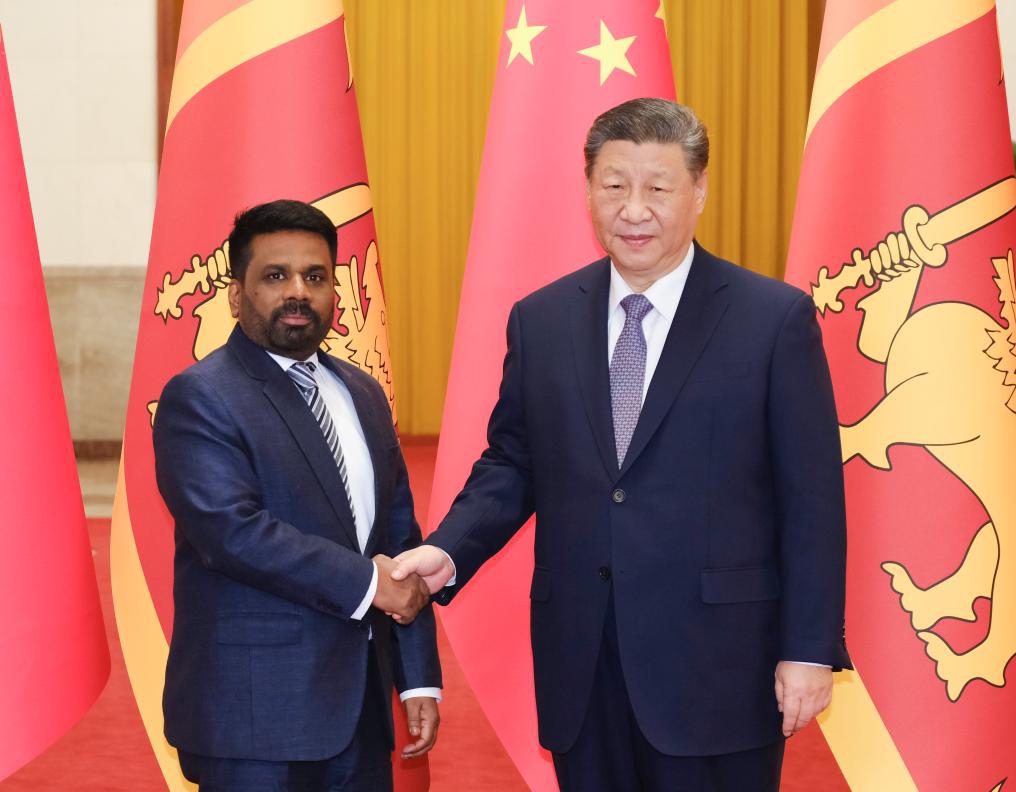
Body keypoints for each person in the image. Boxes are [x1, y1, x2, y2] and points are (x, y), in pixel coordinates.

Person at [392, 98, 850, 791]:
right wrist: (449, 548)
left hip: (721, 668)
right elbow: (515, 461)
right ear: (588, 191)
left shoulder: (771, 320)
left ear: (698, 191)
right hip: (585, 660)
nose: (634, 209)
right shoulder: (542, 319)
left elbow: (812, 499)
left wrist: (810, 650)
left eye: (658, 188)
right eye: (615, 186)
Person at [153, 199, 441, 792]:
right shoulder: (200, 397)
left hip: (360, 712)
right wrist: (370, 584)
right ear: (236, 296)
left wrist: (416, 680)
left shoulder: (362, 392)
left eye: (315, 277)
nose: (298, 292)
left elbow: (398, 539)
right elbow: (233, 533)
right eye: (275, 276)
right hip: (255, 718)